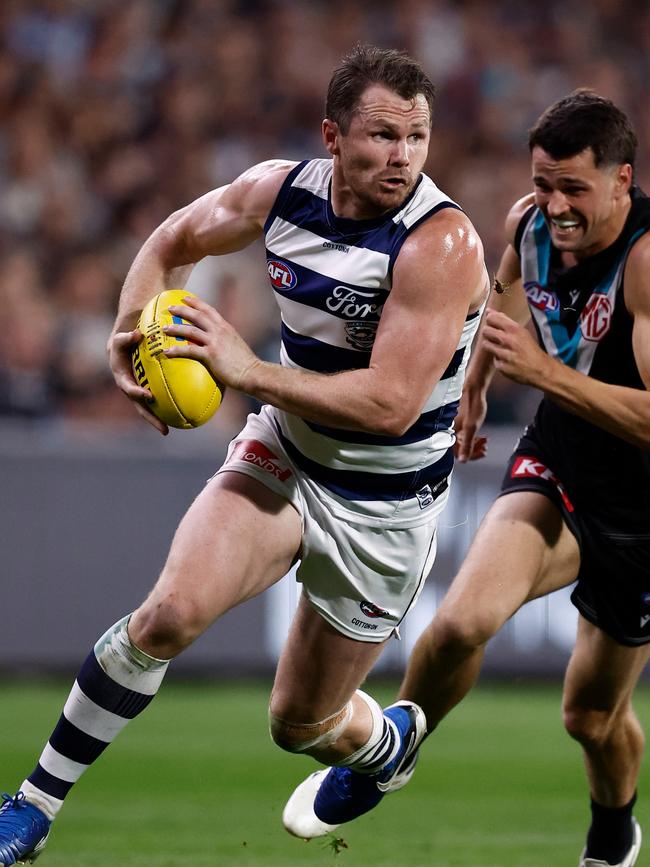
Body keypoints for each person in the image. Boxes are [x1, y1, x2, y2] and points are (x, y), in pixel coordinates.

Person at [0, 44, 488, 864]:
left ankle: (387, 742)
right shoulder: (278, 190)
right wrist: (132, 331)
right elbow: (171, 238)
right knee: (168, 615)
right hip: (287, 452)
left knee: (300, 724)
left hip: (383, 505)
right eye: (381, 135)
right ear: (332, 136)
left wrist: (245, 368)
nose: (402, 156)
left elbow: (391, 403)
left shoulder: (441, 245)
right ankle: (31, 808)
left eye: (417, 136)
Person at [284, 89, 650, 867]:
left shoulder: (646, 264)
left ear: (622, 181)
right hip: (559, 462)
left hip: (642, 512)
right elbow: (504, 298)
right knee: (455, 627)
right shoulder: (530, 224)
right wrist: (479, 380)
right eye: (543, 182)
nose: (552, 205)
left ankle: (614, 832)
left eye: (573, 189)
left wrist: (545, 372)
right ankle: (385, 759)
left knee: (588, 716)